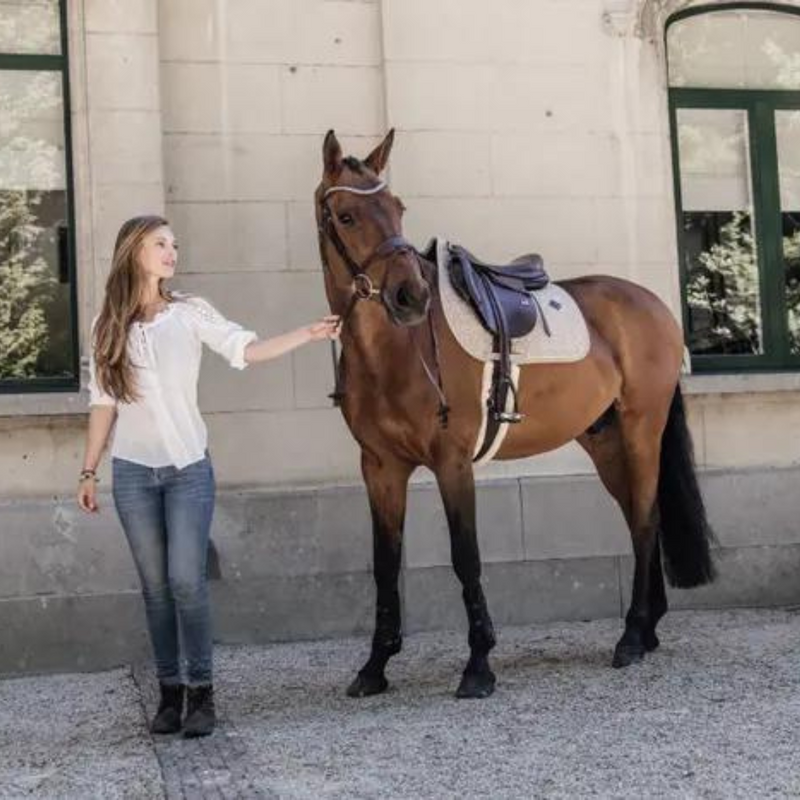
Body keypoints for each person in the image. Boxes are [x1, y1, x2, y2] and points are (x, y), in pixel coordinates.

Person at [77, 215, 339, 738]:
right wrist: (88, 470)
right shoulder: (107, 322)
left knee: (185, 583)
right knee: (155, 589)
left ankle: (202, 693)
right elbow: (103, 404)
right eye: (160, 244)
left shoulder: (190, 313)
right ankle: (169, 694)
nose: (172, 252)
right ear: (134, 251)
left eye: (175, 244)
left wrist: (304, 334)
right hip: (131, 472)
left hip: (188, 470)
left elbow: (245, 349)